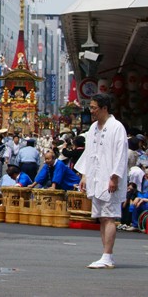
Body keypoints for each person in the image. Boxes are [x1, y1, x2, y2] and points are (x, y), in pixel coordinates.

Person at [76, 93, 128, 269]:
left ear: (104, 108)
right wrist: (84, 175)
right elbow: (89, 153)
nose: (91, 111)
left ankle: (108, 255)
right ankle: (105, 254)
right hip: (96, 177)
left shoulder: (116, 127)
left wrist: (115, 177)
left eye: (94, 108)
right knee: (101, 217)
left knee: (109, 216)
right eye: (90, 107)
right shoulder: (93, 128)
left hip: (109, 178)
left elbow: (121, 154)